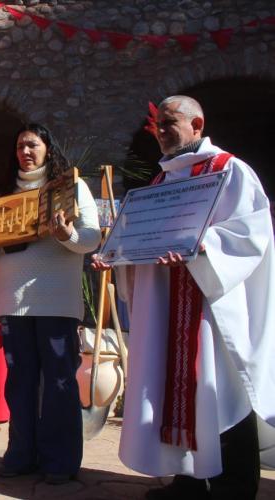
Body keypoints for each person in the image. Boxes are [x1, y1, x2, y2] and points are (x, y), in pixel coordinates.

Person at [93, 95, 275, 499]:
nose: (161, 131)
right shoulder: (158, 183)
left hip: (210, 304)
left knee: (218, 392)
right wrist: (117, 256)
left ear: (197, 125)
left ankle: (236, 486)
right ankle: (188, 481)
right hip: (166, 304)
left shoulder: (230, 171)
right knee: (172, 389)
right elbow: (142, 239)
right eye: (159, 125)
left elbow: (251, 233)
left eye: (170, 123)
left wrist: (204, 245)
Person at [0, 123, 101, 484]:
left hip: (56, 301)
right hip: (13, 303)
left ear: (47, 149)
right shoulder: (1, 196)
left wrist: (68, 234)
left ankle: (60, 462)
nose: (25, 152)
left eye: (32, 145)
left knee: (59, 382)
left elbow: (91, 238)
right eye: (20, 147)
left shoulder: (72, 188)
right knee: (20, 382)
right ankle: (20, 455)